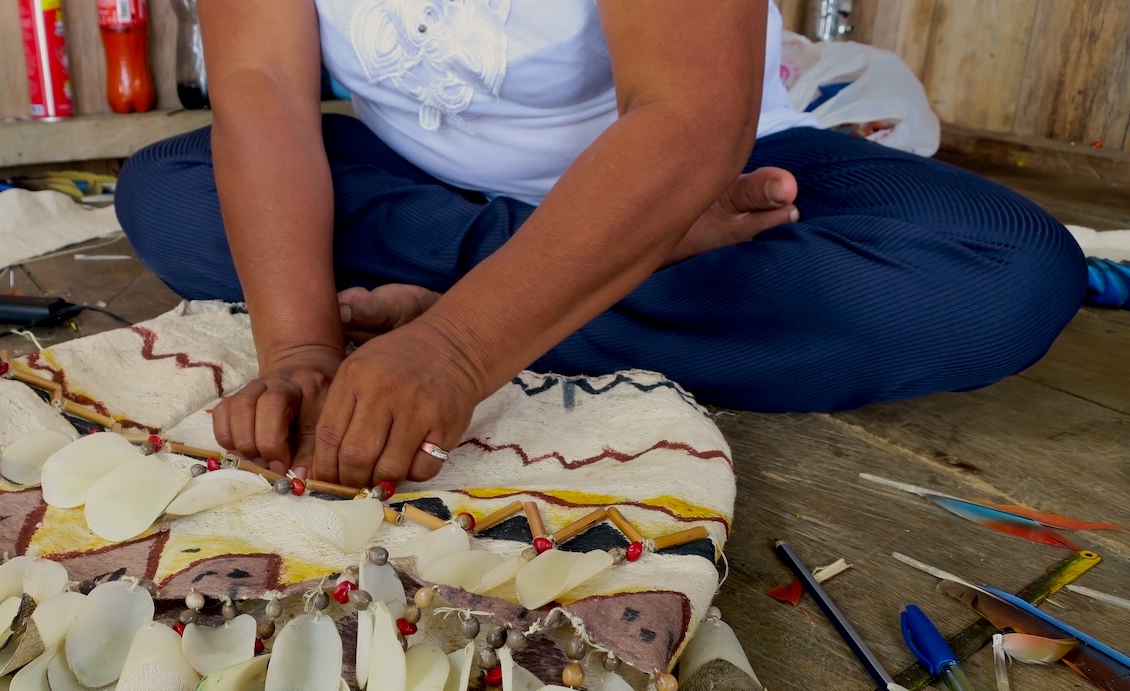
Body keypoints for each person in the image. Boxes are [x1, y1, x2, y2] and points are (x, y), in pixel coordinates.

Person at [115, 0, 1086, 490]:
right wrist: (299, 350)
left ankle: (494, 288)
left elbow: (687, 118)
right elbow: (262, 91)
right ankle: (607, 265)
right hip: (422, 184)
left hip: (707, 165)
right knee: (170, 190)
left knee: (1002, 270)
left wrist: (455, 350)